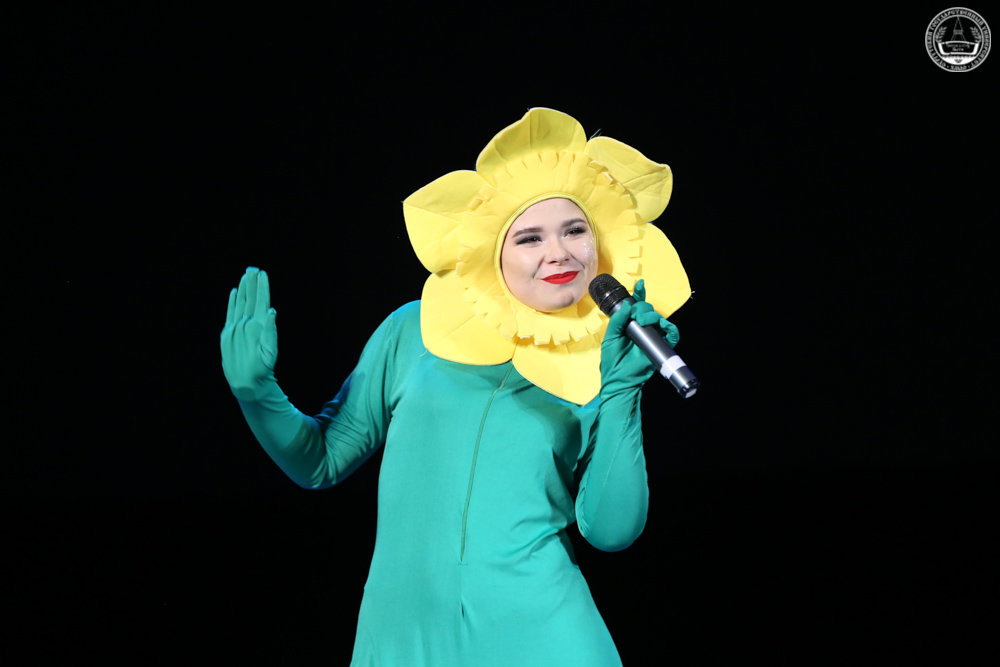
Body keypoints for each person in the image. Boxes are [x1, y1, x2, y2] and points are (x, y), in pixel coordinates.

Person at [220, 108, 692, 666]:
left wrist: (622, 393)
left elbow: (611, 531)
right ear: (494, 252)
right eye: (529, 237)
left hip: (539, 631)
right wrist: (258, 393)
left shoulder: (606, 363)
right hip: (404, 635)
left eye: (575, 230)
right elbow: (320, 462)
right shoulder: (415, 330)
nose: (559, 253)